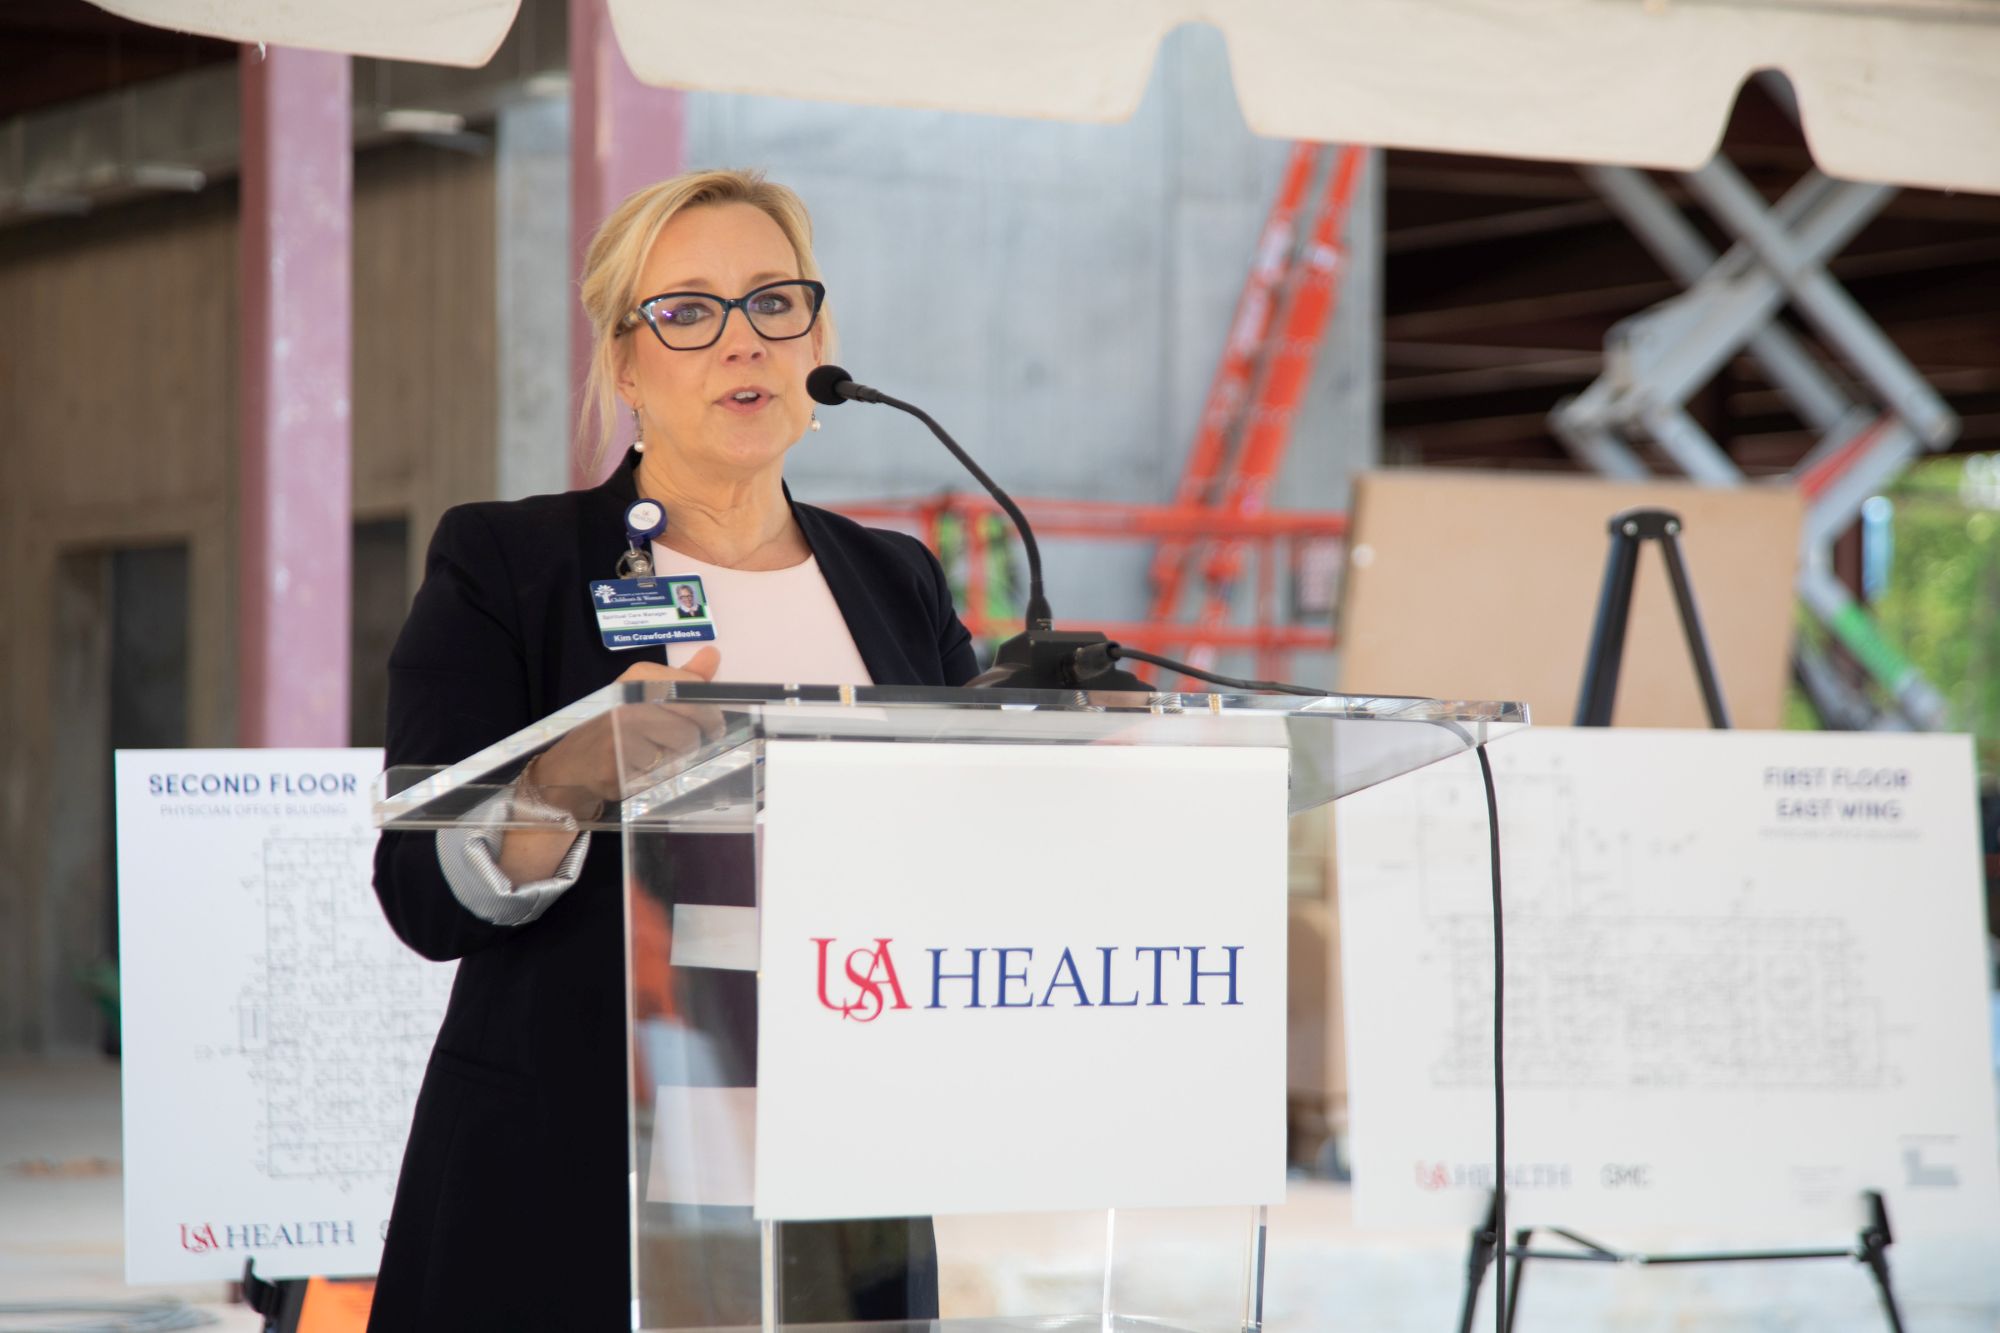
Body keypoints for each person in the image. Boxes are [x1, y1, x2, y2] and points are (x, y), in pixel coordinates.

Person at [369, 168, 977, 1331]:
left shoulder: (896, 580)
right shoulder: (512, 565)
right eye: (687, 312)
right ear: (628, 361)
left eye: (772, 303)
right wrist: (572, 776)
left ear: (819, 336)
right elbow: (418, 892)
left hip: (843, 1177)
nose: (740, 343)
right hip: (576, 1179)